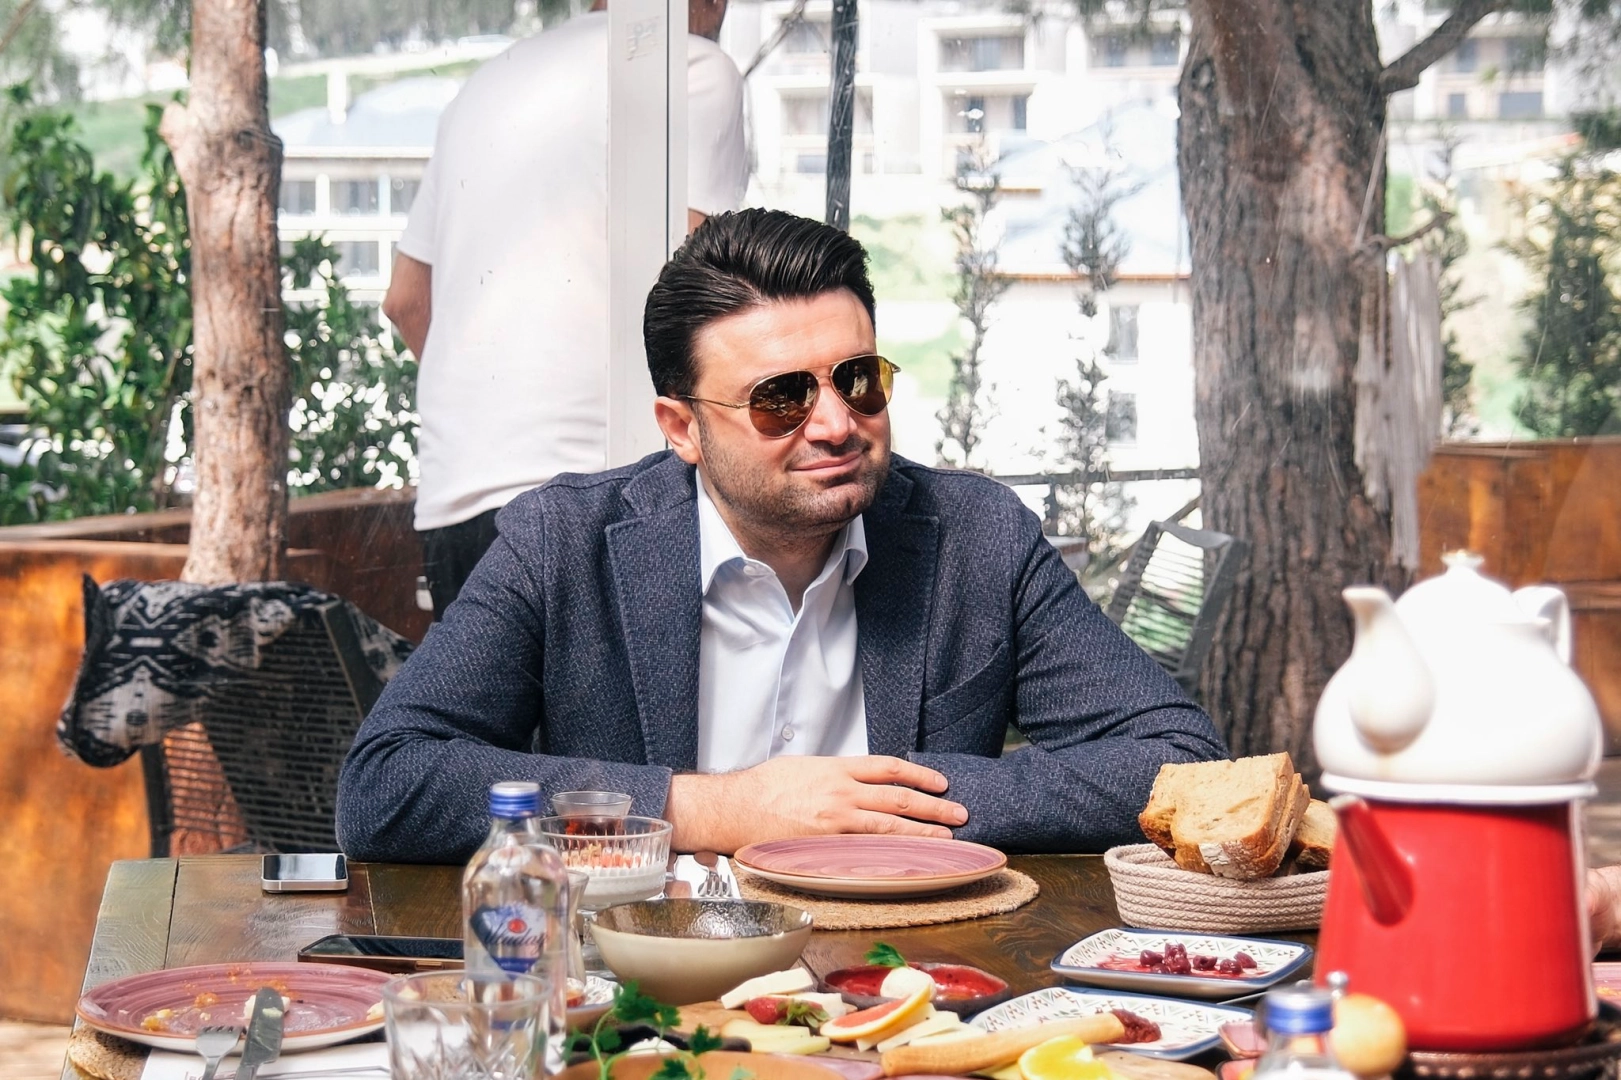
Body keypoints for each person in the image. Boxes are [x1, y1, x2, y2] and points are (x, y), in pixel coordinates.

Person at [338, 209, 1228, 863]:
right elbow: (387, 784)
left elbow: (1180, 761)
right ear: (682, 428)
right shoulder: (563, 542)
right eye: (780, 398)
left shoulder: (975, 538)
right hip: (643, 978)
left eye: (857, 379)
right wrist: (712, 810)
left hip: (913, 976)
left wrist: (879, 809)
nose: (836, 424)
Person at [384, 0, 747, 618]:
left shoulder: (483, 87)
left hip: (455, 504)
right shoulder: (689, 65)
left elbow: (406, 300)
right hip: (603, 491)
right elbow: (697, 288)